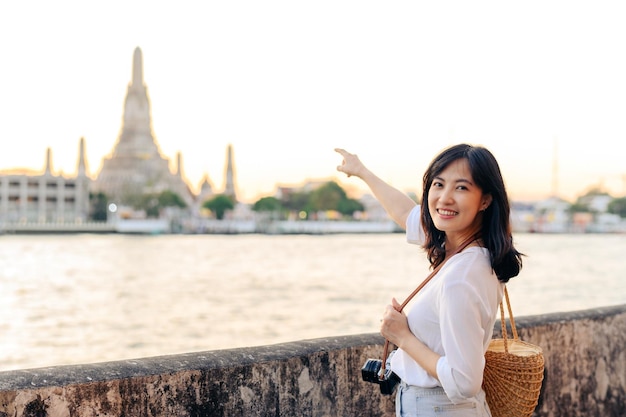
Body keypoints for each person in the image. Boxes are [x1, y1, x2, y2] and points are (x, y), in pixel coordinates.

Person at [335, 144, 523, 417]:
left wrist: (402, 336)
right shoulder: (469, 251)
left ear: (485, 200)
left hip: (440, 407)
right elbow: (404, 213)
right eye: (438, 184)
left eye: (461, 188)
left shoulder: (460, 276)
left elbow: (464, 381)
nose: (444, 198)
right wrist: (362, 171)